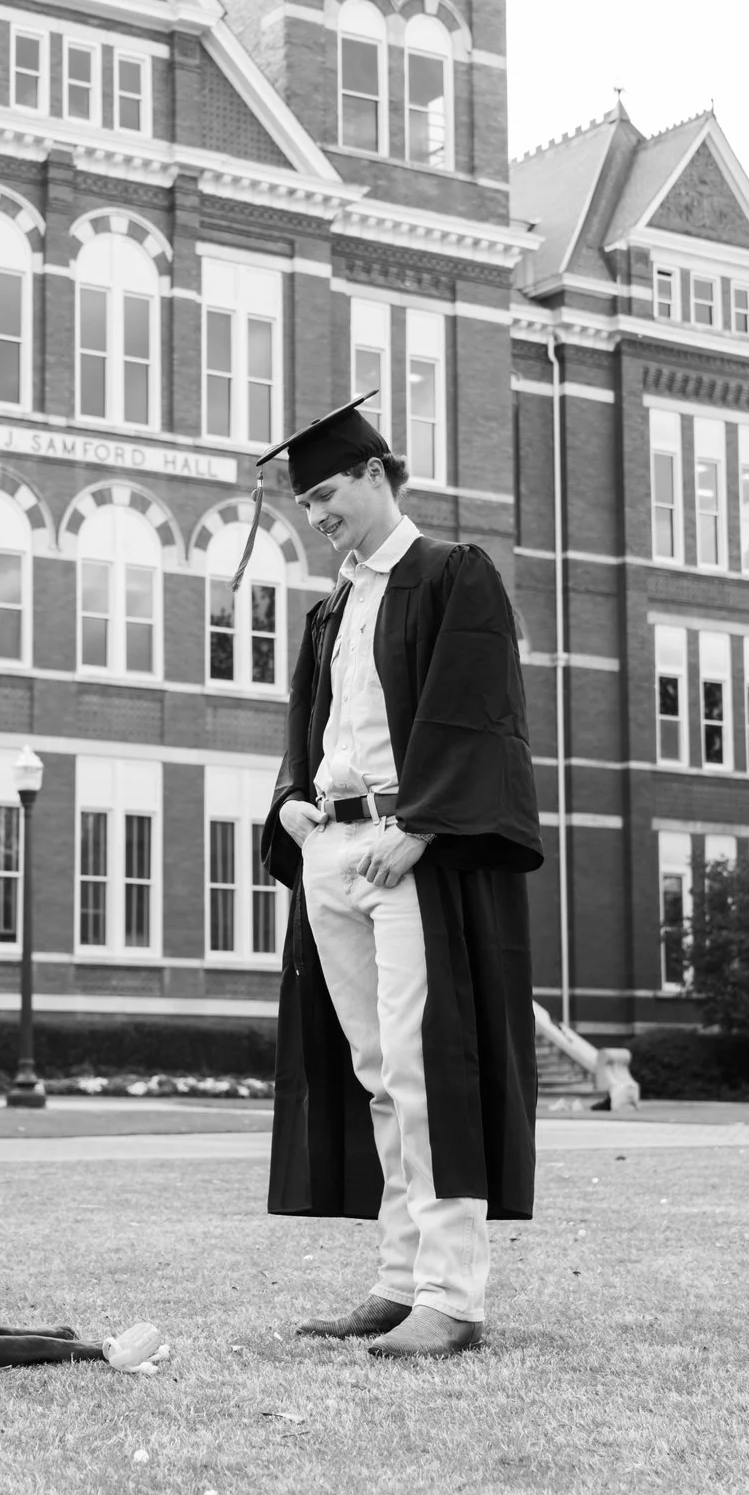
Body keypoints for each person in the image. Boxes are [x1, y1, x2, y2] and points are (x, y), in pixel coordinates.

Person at [254, 390, 542, 1359]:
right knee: (376, 1072)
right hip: (333, 848)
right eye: (304, 502)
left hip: (404, 845)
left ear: (376, 473)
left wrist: (420, 823)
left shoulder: (450, 574)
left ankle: (451, 1295)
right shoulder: (333, 606)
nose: (315, 514)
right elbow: (319, 728)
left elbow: (477, 708)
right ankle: (398, 1277)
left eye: (326, 493)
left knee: (423, 1068)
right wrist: (292, 802)